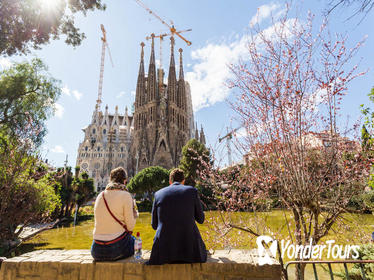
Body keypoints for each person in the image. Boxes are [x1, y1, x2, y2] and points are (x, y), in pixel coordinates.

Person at [148, 168, 207, 265]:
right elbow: (201, 219)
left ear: (170, 181)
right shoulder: (192, 192)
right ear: (183, 181)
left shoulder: (158, 194)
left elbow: (154, 225)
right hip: (190, 251)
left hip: (163, 253)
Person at [91, 167, 138, 261]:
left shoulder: (101, 195)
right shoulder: (126, 196)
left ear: (110, 179)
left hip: (96, 250)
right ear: (125, 181)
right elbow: (130, 227)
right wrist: (135, 214)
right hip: (116, 249)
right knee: (136, 241)